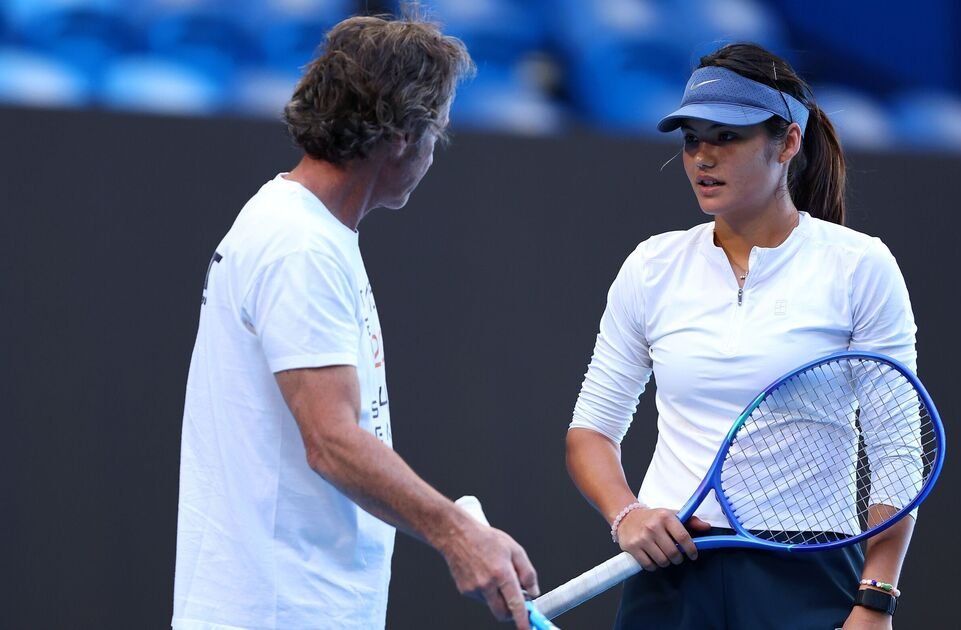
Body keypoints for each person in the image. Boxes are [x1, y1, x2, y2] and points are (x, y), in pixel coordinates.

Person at [172, 15, 539, 630]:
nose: (433, 153)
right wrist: (457, 533)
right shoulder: (299, 244)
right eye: (436, 132)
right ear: (400, 136)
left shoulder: (304, 229)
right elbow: (331, 440)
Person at [566, 43, 919, 630]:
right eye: (691, 140)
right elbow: (590, 432)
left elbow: (897, 451)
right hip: (672, 572)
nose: (703, 157)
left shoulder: (860, 266)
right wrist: (627, 515)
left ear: (788, 143)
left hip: (809, 571)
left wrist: (876, 599)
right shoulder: (651, 266)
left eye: (726, 136)